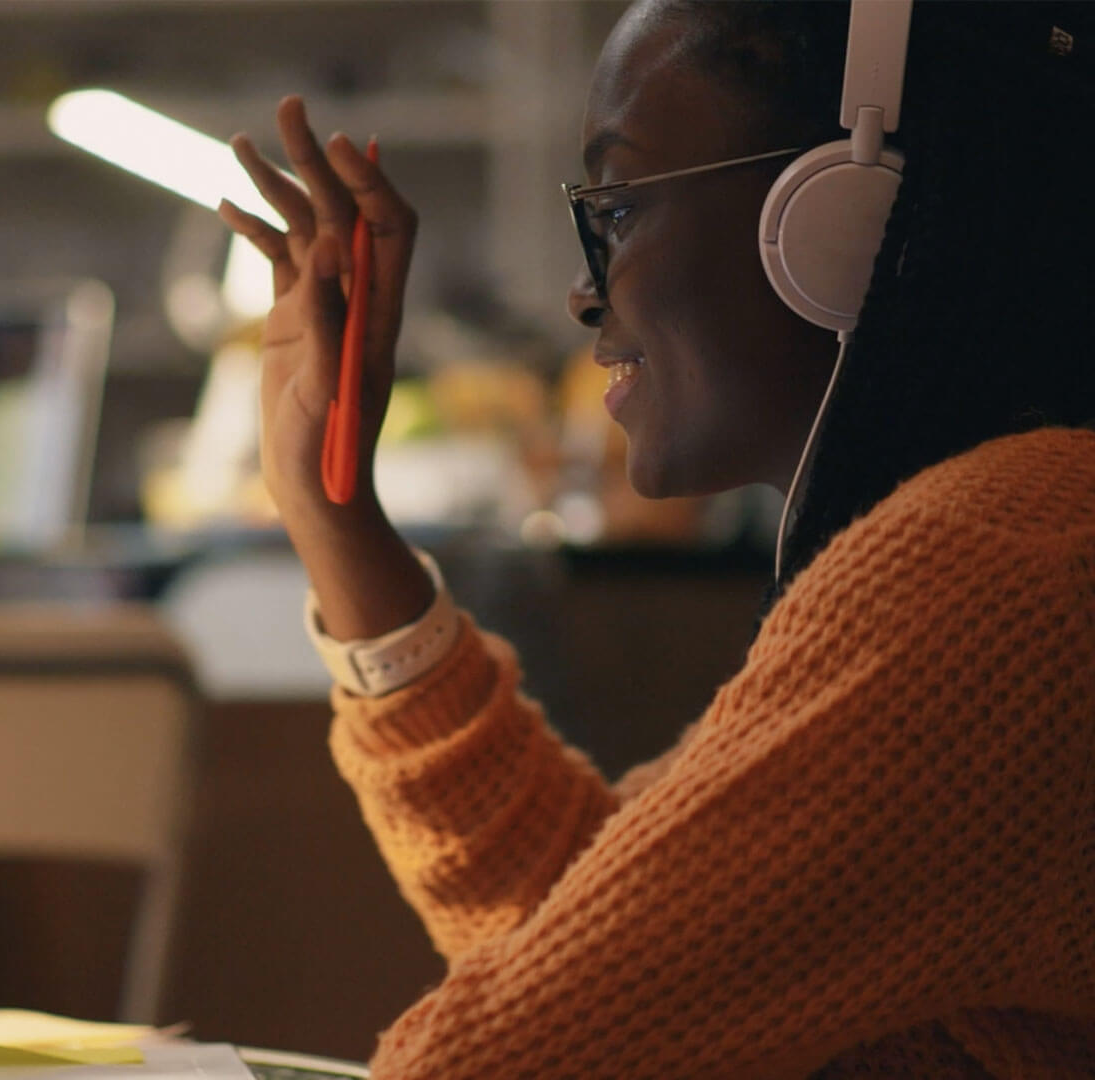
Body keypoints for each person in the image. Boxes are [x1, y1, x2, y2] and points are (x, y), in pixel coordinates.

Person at [220, 0, 1093, 1074]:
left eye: (621, 209)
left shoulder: (996, 567)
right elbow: (602, 924)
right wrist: (331, 512)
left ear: (845, 212)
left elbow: (519, 1051)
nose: (588, 291)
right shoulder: (1027, 527)